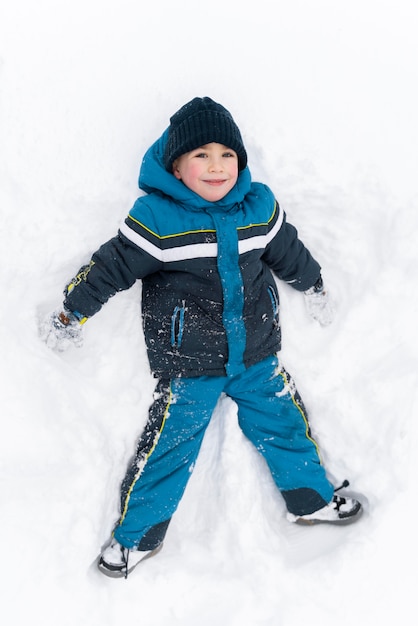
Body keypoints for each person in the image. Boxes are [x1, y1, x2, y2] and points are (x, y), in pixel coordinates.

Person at [40, 97, 362, 579]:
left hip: (255, 352)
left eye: (227, 155)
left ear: (241, 161)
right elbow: (111, 267)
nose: (216, 167)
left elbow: (288, 250)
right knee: (170, 446)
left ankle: (310, 500)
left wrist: (312, 284)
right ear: (176, 165)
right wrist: (73, 310)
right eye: (201, 156)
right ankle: (136, 538)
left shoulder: (259, 208)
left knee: (285, 424)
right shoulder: (158, 220)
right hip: (190, 363)